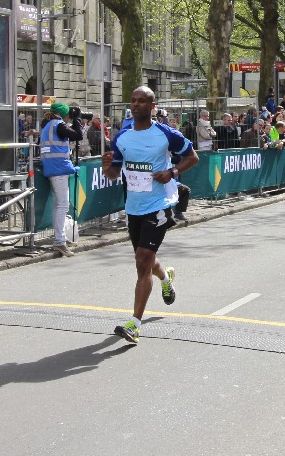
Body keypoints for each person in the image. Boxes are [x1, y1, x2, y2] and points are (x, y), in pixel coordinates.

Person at [103, 86, 199, 344]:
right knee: (145, 259)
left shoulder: (166, 134)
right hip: (133, 207)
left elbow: (193, 157)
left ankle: (134, 324)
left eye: (142, 101)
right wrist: (106, 167)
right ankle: (166, 279)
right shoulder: (122, 137)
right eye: (133, 101)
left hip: (159, 204)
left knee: (142, 259)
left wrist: (172, 172)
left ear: (152, 106)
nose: (136, 105)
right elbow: (114, 173)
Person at [39, 101, 83, 256]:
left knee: (58, 205)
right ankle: (59, 241)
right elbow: (78, 135)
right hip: (59, 168)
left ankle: (61, 238)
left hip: (52, 168)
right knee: (63, 205)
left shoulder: (47, 125)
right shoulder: (58, 125)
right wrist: (77, 119)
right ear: (64, 114)